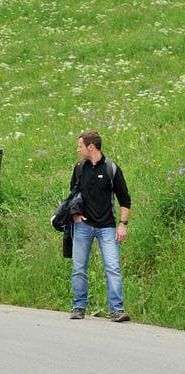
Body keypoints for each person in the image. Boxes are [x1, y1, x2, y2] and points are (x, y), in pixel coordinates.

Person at [69, 131, 132, 322]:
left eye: (80, 145)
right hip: (83, 227)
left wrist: (122, 224)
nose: (78, 149)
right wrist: (76, 215)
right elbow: (72, 193)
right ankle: (79, 307)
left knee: (112, 267)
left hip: (107, 227)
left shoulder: (111, 168)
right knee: (79, 268)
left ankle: (117, 310)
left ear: (91, 147)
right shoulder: (79, 167)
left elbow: (125, 200)